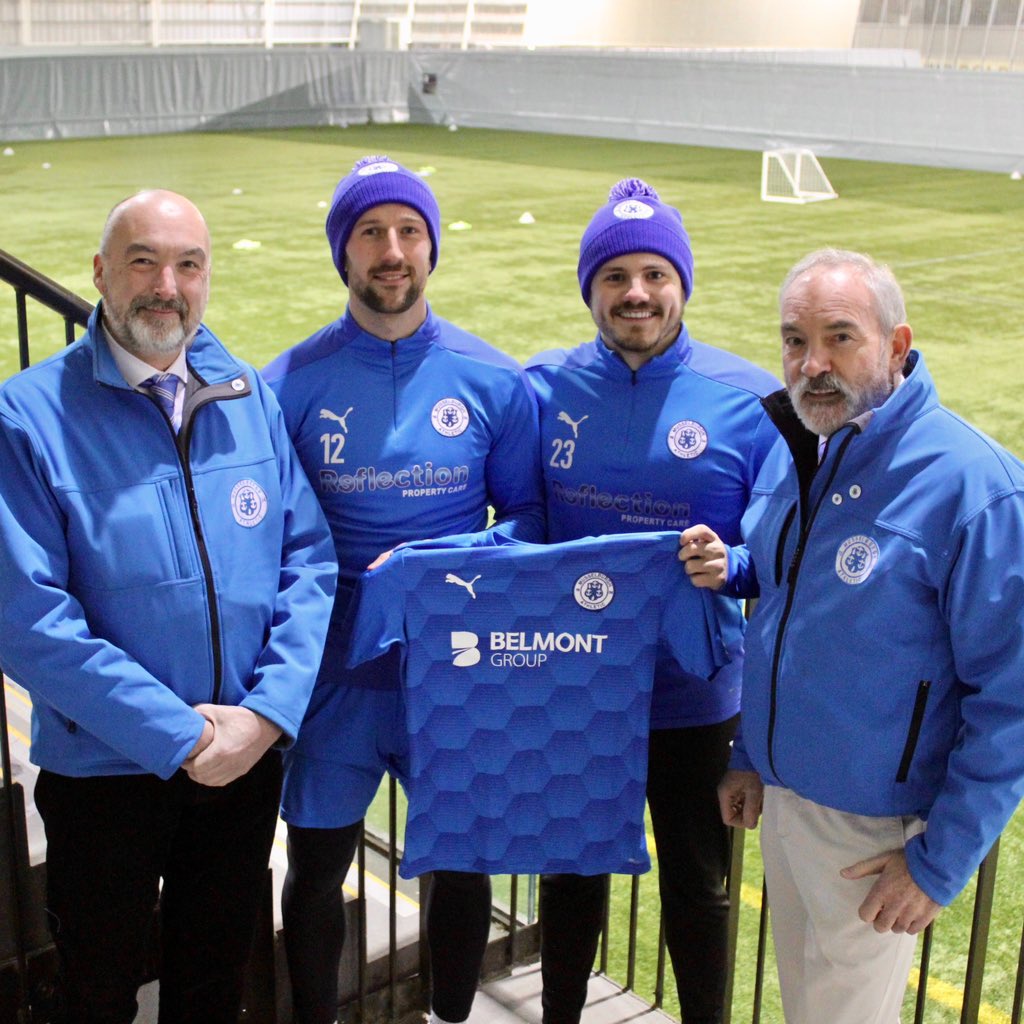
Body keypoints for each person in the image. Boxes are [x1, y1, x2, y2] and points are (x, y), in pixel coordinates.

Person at [0, 190, 338, 1024]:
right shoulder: (28, 415)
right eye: (144, 260)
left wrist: (264, 719)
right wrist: (181, 735)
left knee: (211, 984)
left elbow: (310, 561)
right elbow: (26, 619)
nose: (167, 284)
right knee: (98, 987)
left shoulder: (245, 394)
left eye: (189, 264)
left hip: (242, 759)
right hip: (107, 772)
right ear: (101, 273)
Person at [684, 248, 1024, 1024]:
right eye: (795, 341)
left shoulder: (977, 489)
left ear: (897, 347)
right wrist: (748, 757)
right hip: (786, 802)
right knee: (804, 1001)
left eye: (841, 337)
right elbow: (789, 595)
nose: (812, 364)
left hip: (873, 833)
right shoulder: (805, 444)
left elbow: (1013, 701)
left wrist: (937, 866)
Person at [263, 155, 545, 1024]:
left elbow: (531, 516)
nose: (393, 250)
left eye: (409, 231)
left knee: (462, 866)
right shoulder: (291, 382)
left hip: (450, 673)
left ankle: (447, 1017)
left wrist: (442, 570)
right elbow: (269, 533)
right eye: (371, 233)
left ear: (432, 249)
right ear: (342, 254)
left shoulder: (493, 379)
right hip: (332, 679)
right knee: (316, 865)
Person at [525, 177, 779, 1024]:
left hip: (694, 695)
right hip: (580, 683)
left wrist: (733, 563)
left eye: (655, 275)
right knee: (569, 877)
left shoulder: (747, 402)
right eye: (616, 276)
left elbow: (780, 551)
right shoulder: (543, 388)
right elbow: (516, 520)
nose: (636, 293)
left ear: (681, 285)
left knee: (698, 889)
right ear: (591, 289)